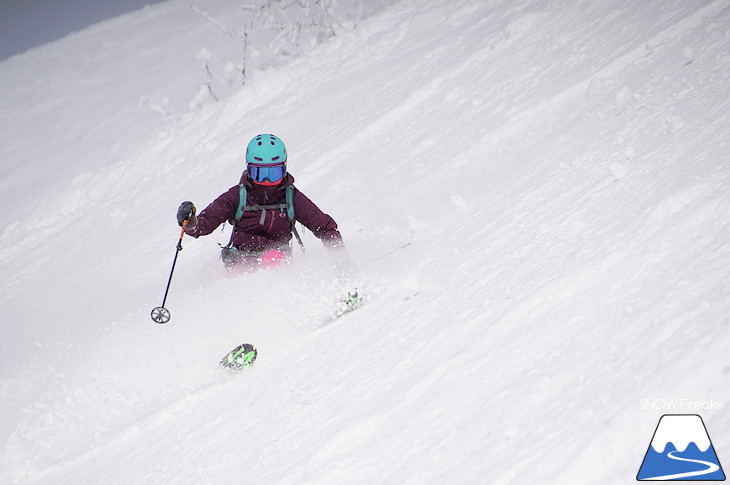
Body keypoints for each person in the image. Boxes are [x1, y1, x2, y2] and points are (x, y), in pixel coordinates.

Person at [176, 133, 343, 271]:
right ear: (249, 169)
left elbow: (324, 227)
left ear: (284, 168)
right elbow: (205, 223)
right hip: (241, 259)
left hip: (277, 260)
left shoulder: (290, 197)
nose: (266, 180)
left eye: (274, 173)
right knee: (239, 271)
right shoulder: (238, 195)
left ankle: (283, 305)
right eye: (259, 173)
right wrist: (190, 223)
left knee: (273, 259)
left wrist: (340, 260)